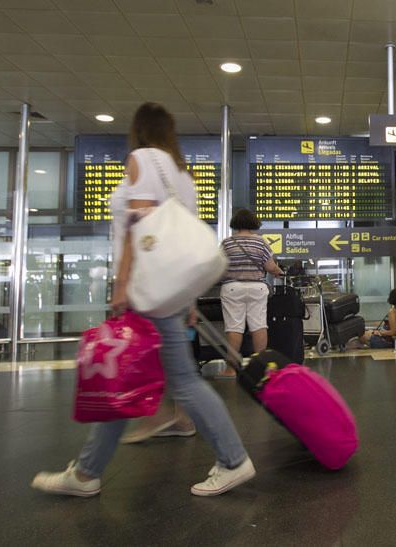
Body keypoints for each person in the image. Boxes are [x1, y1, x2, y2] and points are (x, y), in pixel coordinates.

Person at [32, 102, 255, 497]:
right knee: (129, 378)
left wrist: (121, 287)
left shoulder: (140, 159)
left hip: (145, 293)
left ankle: (233, 459)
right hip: (167, 295)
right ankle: (86, 473)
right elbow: (178, 248)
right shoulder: (182, 176)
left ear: (139, 130)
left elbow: (141, 229)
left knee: (178, 382)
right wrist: (185, 301)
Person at [216, 208, 284, 379]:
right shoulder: (260, 242)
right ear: (254, 223)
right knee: (259, 326)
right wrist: (277, 270)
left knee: (234, 328)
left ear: (235, 224)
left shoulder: (227, 243)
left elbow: (219, 268)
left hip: (232, 288)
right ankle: (262, 369)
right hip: (257, 287)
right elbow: (269, 267)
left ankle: (231, 369)